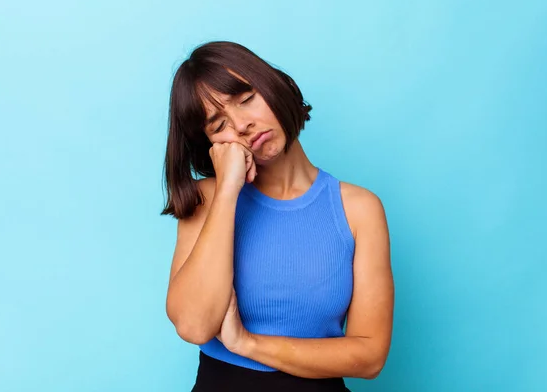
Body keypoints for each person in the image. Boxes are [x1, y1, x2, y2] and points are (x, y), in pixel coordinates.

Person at [162, 41, 394, 392]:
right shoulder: (207, 198)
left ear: (274, 86)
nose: (242, 125)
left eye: (246, 99)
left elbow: (369, 356)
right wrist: (227, 190)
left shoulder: (359, 208)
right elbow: (193, 326)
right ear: (210, 144)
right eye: (219, 123)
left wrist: (247, 344)